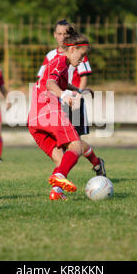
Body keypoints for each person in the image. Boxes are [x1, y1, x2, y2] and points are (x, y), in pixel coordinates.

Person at [28, 26, 95, 201]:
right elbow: (51, 83)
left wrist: (78, 90)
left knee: (61, 161)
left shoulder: (62, 65)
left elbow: (61, 83)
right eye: (81, 56)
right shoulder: (59, 61)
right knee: (77, 146)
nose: (81, 61)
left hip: (34, 119)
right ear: (72, 49)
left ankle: (56, 192)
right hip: (48, 110)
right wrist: (63, 95)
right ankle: (60, 178)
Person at [37, 20, 106, 178]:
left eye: (65, 34)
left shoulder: (78, 52)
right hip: (54, 104)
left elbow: (82, 75)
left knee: (73, 143)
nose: (62, 37)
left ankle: (63, 179)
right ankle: (93, 164)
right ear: (55, 35)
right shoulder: (51, 56)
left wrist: (78, 94)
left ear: (70, 37)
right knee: (67, 145)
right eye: (59, 34)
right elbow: (45, 80)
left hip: (71, 102)